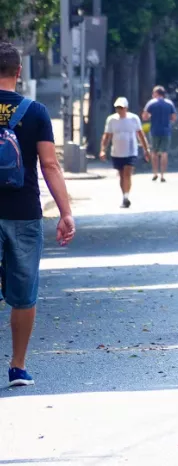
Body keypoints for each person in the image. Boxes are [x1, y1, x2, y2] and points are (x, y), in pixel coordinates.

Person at [0, 42, 75, 387]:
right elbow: (49, 165)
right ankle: (17, 366)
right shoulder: (35, 112)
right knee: (24, 292)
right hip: (23, 212)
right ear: (18, 72)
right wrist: (65, 212)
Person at [100, 97, 150, 208]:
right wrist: (103, 150)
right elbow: (107, 135)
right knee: (122, 176)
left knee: (127, 174)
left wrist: (146, 149)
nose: (119, 110)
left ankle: (126, 197)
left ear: (126, 108)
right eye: (117, 108)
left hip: (131, 151)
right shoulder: (111, 120)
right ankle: (124, 196)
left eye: (121, 108)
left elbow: (140, 134)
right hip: (117, 152)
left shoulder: (134, 118)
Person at [142, 85, 177, 182]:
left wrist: (150, 115)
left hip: (154, 130)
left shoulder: (151, 103)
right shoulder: (169, 104)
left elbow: (144, 117)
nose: (152, 95)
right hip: (166, 131)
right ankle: (163, 175)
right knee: (164, 153)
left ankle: (155, 173)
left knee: (154, 153)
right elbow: (174, 118)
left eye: (153, 93)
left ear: (156, 94)